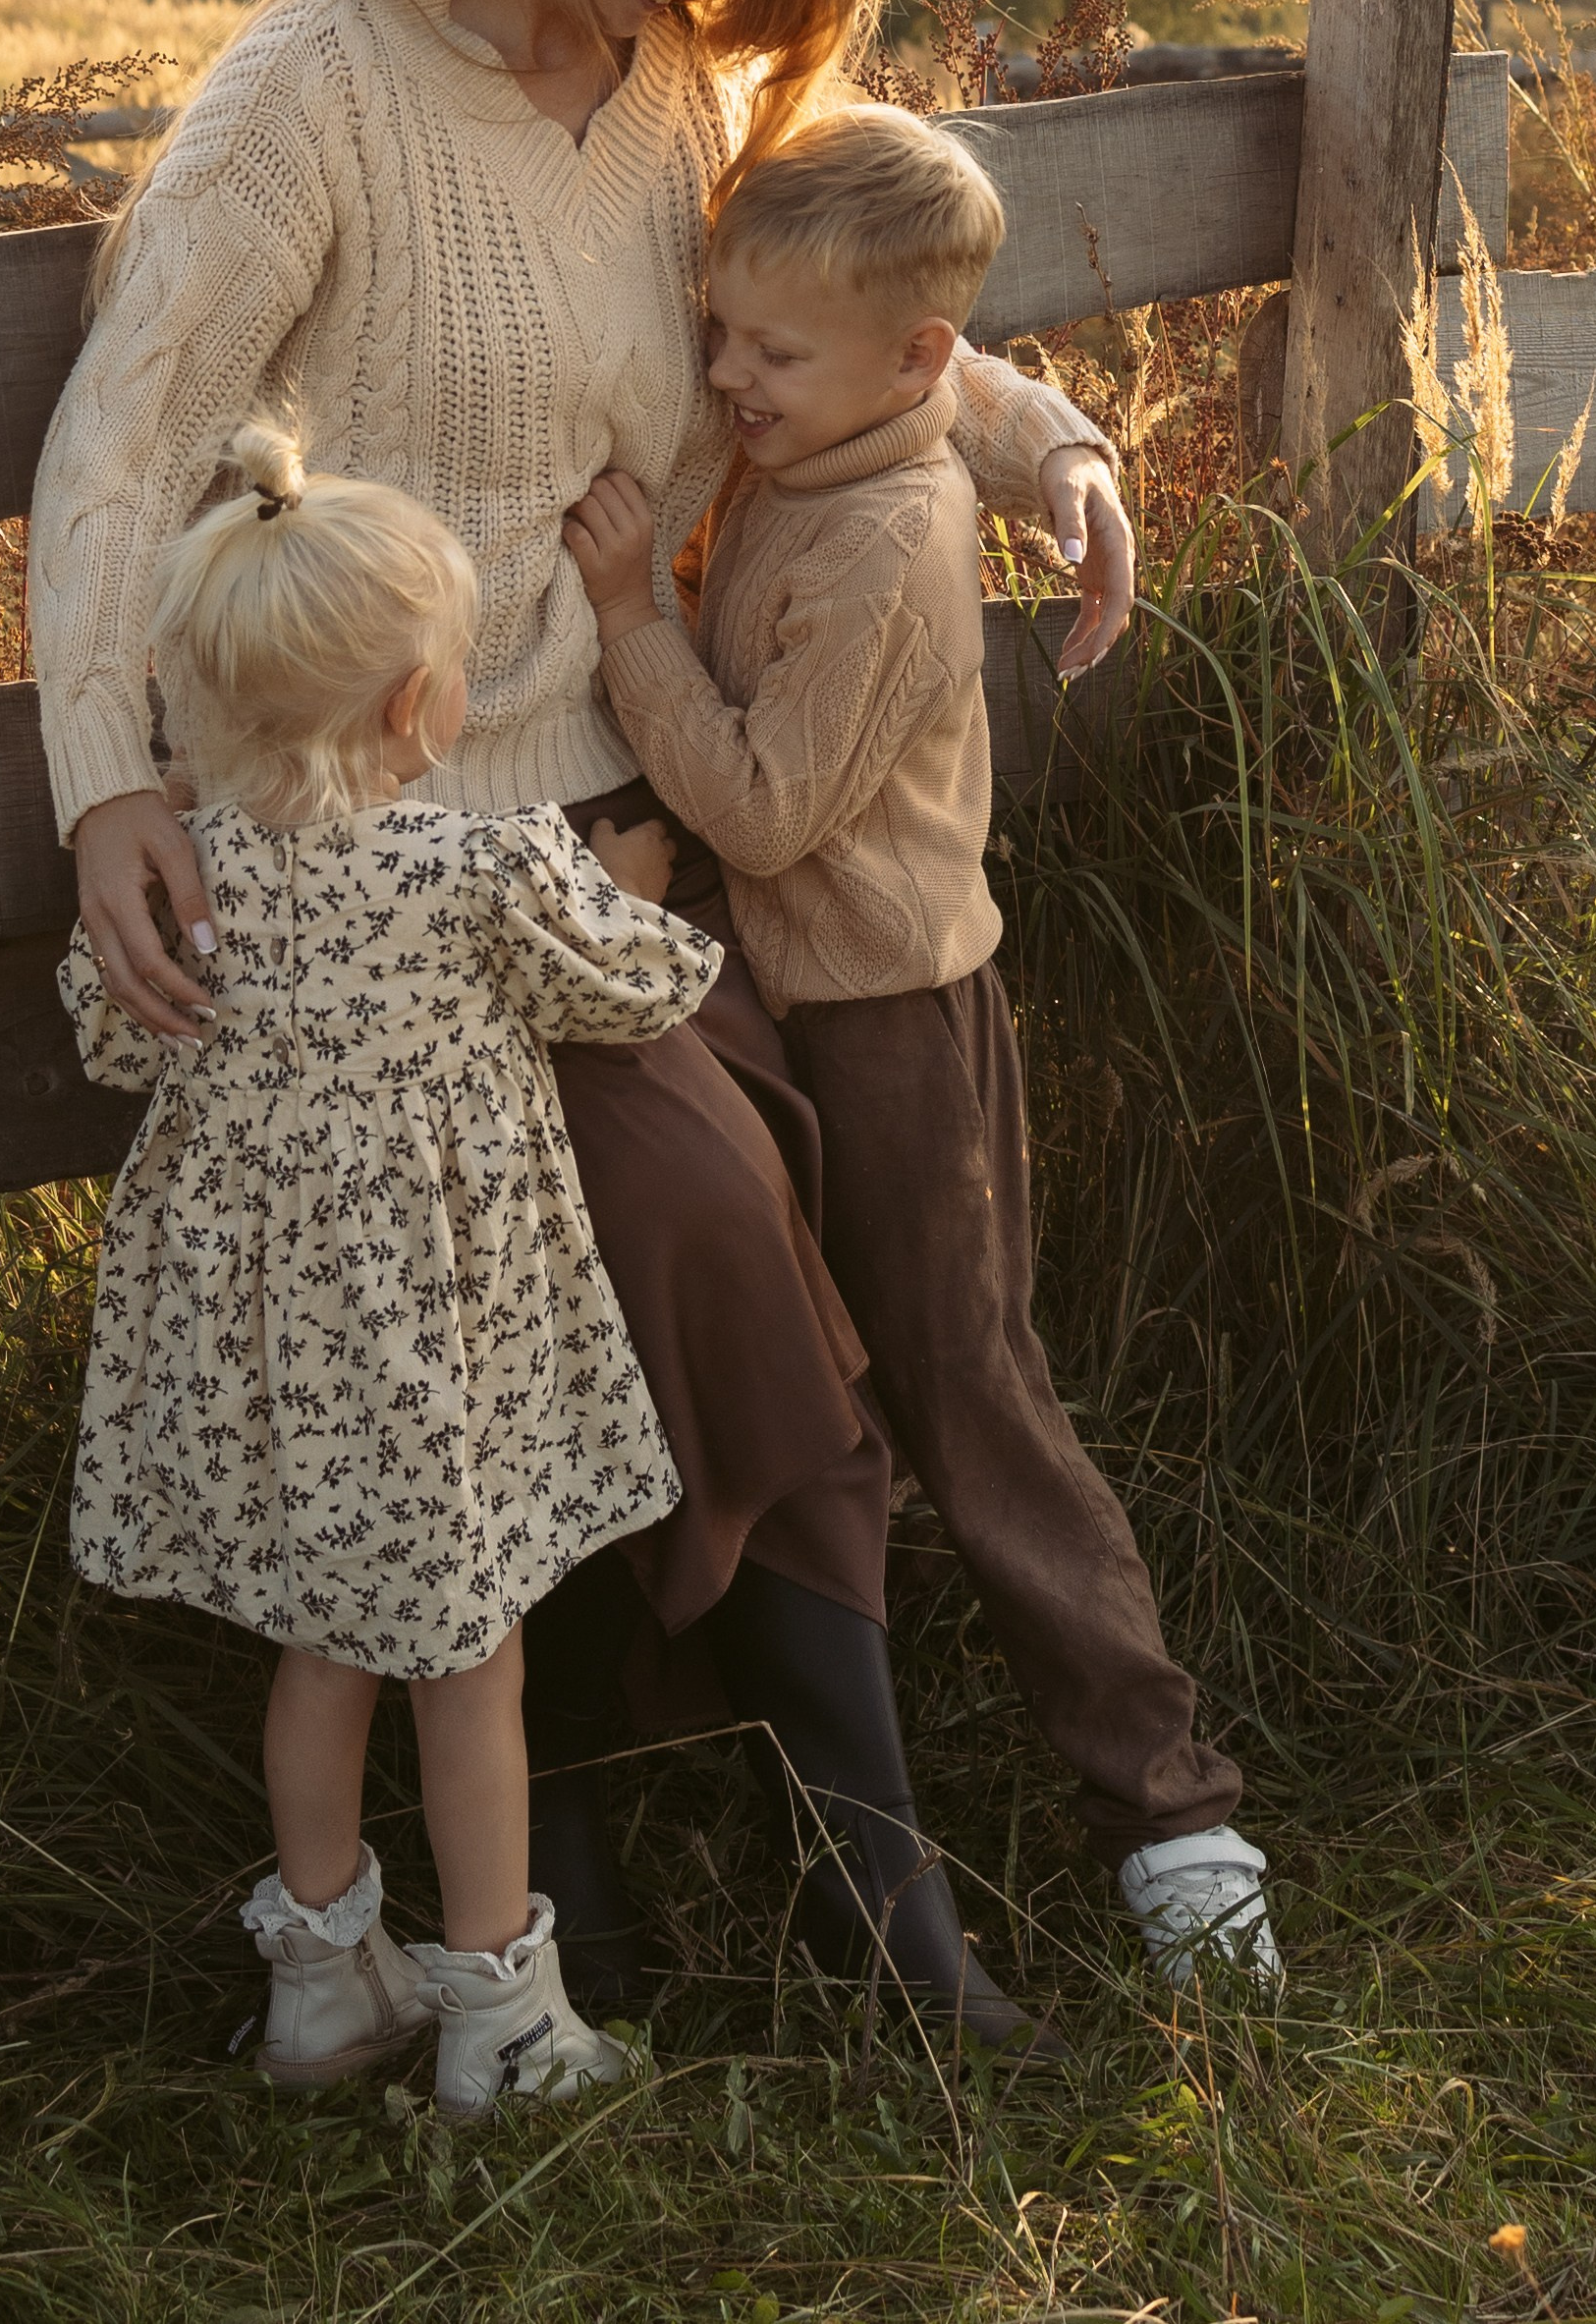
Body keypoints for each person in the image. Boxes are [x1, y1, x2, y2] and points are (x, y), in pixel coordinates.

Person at [29, 0, 1134, 2042]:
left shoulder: (668, 97)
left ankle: (781, 1889)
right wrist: (105, 775)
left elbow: (842, 316)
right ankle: (668, 1915)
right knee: (719, 1255)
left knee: (766, 1287)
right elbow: (124, 437)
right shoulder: (311, 91)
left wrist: (1045, 447)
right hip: (397, 875)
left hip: (636, 854)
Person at [562, 105, 1281, 1987]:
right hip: (770, 1003)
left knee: (970, 1397)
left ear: (899, 360)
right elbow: (972, 385)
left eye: (763, 357)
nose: (723, 382)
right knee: (805, 1386)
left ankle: (1170, 1811)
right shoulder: (848, 402)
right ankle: (747, 1796)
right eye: (716, 335)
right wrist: (1074, 453)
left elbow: (768, 805)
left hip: (885, 1021)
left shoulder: (884, 539)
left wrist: (632, 614)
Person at [61, 415, 726, 2113]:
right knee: (469, 1659)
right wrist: (636, 881)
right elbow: (639, 987)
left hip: (273, 1358)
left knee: (318, 1645)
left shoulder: (186, 883)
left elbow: (110, 1037)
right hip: (434, 1341)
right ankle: (499, 2013)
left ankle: (316, 1986)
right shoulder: (477, 862)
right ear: (422, 706)